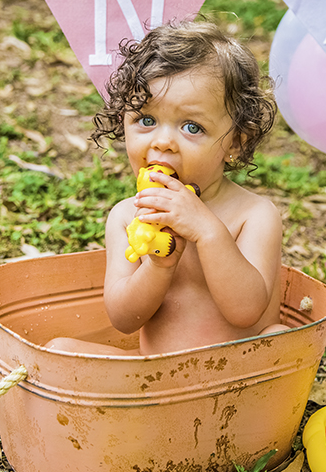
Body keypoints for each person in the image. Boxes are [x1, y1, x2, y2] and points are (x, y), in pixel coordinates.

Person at [48, 21, 286, 356]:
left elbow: (247, 312)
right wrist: (158, 267)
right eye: (146, 121)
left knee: (280, 338)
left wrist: (207, 232)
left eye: (192, 127)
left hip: (238, 377)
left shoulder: (254, 215)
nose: (163, 142)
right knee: (59, 350)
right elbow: (123, 319)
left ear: (235, 143)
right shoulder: (127, 217)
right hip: (155, 377)